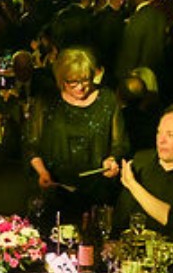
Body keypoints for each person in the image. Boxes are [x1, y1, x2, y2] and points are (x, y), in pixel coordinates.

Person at [27, 46, 126, 221]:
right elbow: (31, 144)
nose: (81, 88)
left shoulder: (107, 99)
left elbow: (119, 144)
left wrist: (112, 160)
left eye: (86, 80)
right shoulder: (47, 100)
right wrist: (42, 172)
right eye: (73, 82)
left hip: (97, 190)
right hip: (56, 189)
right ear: (61, 79)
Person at [116, 107, 173, 235]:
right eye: (159, 133)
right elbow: (120, 218)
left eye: (171, 135)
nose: (161, 141)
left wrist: (132, 185)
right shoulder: (141, 162)